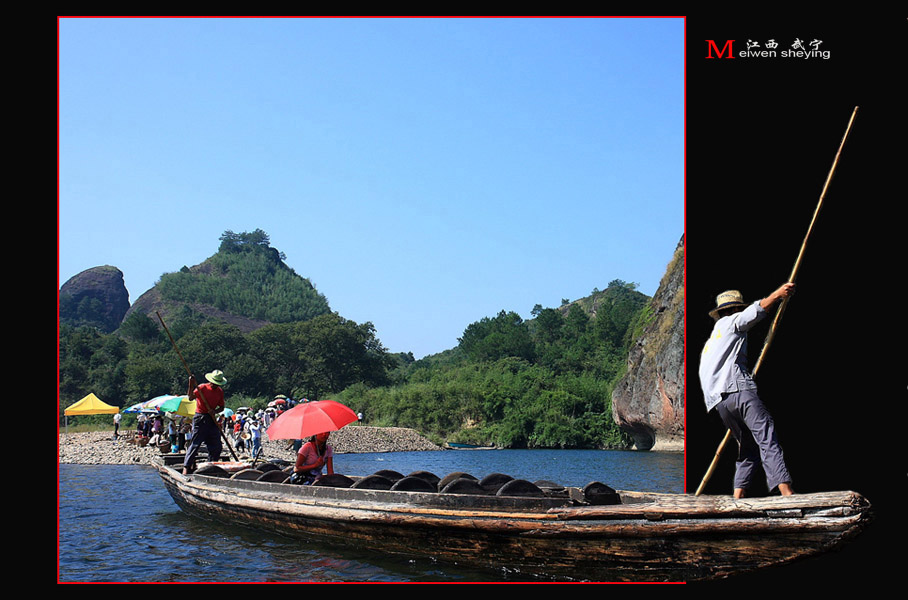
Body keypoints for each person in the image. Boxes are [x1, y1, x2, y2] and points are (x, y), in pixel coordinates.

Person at [698, 283, 796, 498]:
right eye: (738, 310)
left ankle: (738, 495)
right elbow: (756, 311)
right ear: (734, 310)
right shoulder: (731, 322)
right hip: (738, 390)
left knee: (748, 448)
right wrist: (778, 294)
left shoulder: (712, 340)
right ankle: (786, 492)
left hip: (719, 402)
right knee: (766, 436)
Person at [182, 369, 228, 475]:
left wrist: (214, 411)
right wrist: (191, 384)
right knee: (195, 443)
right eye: (214, 384)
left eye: (218, 384)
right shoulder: (202, 387)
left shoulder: (219, 391)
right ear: (211, 381)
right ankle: (186, 467)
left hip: (211, 418)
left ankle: (210, 466)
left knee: (216, 445)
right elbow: (190, 397)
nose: (215, 386)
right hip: (200, 417)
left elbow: (221, 407)